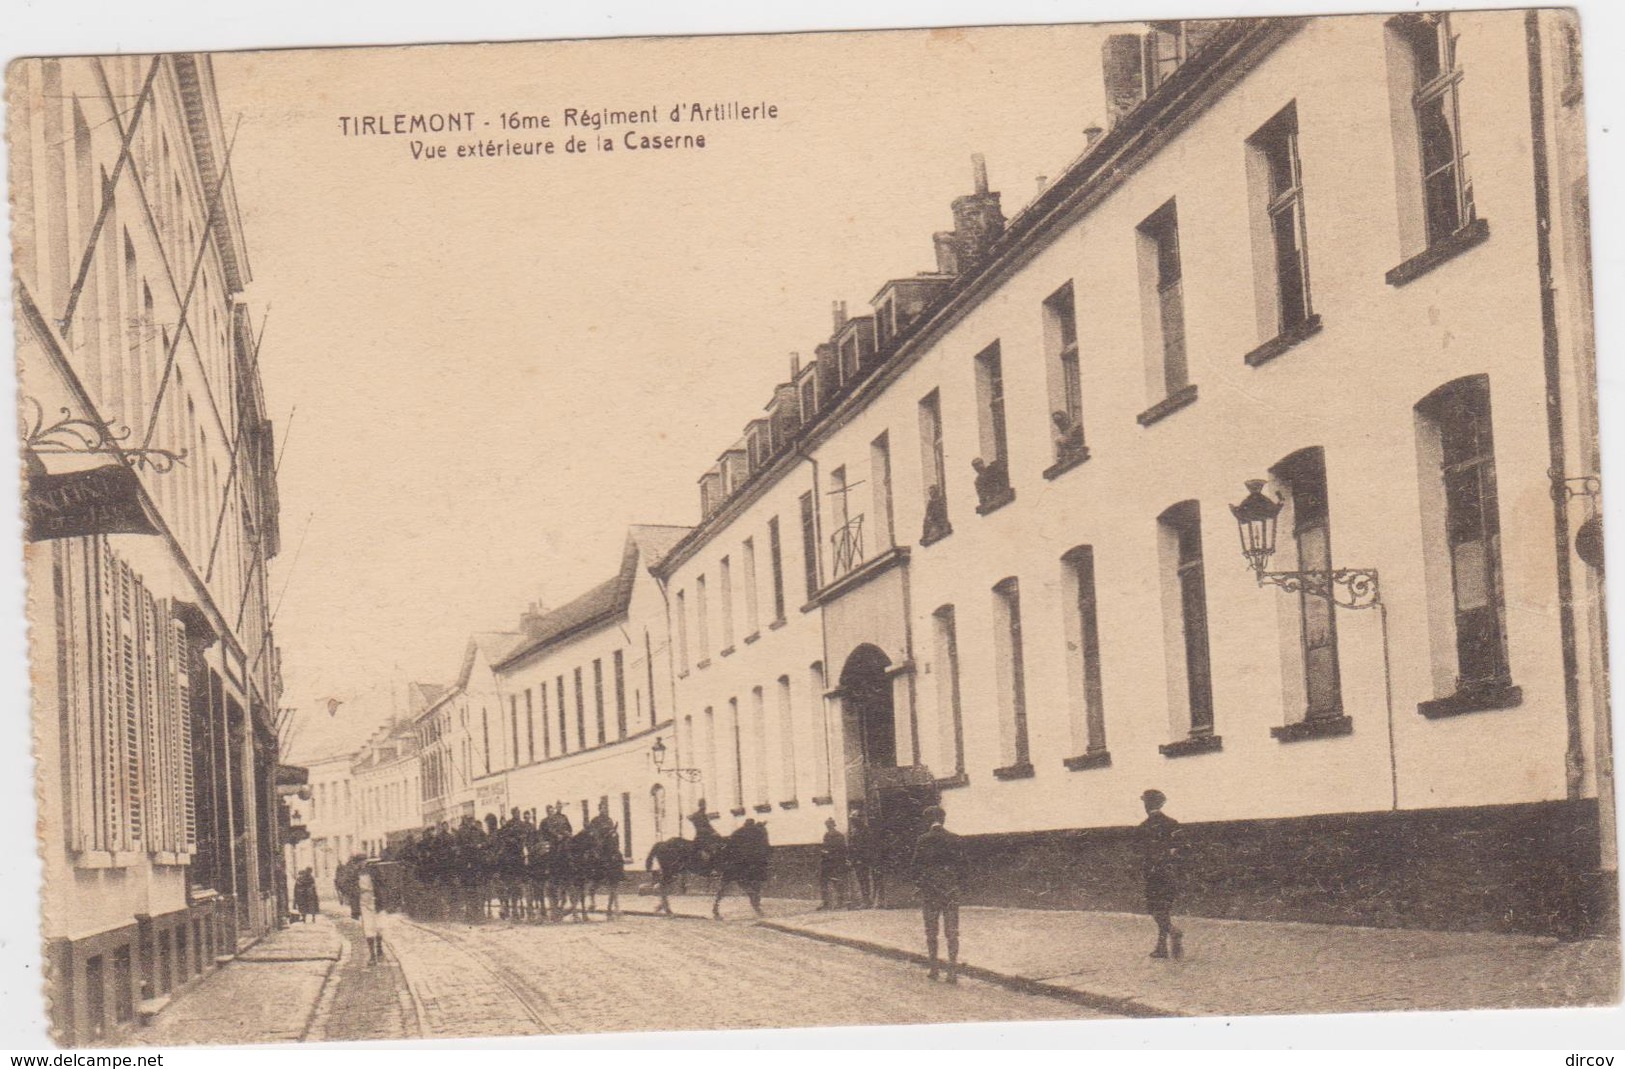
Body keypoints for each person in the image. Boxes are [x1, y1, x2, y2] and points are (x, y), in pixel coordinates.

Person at [912, 805, 966, 983]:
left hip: (930, 893)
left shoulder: (922, 840)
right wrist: (956, 885)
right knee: (952, 932)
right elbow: (963, 867)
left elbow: (915, 867)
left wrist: (920, 885)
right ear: (943, 820)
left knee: (931, 932)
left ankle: (934, 968)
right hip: (950, 891)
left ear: (928, 821)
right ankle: (952, 971)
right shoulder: (955, 839)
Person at [1138, 789, 1183, 960]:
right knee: (1164, 909)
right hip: (1170, 872)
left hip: (1153, 873)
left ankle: (1173, 931)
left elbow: (1142, 853)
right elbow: (1178, 848)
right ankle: (1161, 948)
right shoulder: (1173, 823)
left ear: (1146, 805)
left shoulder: (1143, 827)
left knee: (1156, 910)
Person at [818, 817, 850, 910]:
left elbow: (842, 849)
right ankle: (826, 902)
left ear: (833, 825)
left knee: (837, 882)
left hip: (836, 862)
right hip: (826, 862)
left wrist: (831, 853)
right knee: (823, 882)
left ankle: (840, 902)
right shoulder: (826, 835)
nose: (828, 827)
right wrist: (823, 852)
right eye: (827, 825)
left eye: (829, 825)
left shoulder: (839, 836)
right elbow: (824, 846)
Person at [358, 862, 384, 965]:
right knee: (369, 927)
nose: (362, 864)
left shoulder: (374, 873)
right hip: (364, 902)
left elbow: (382, 885)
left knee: (379, 926)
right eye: (360, 861)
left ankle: (379, 947)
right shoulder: (355, 875)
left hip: (376, 901)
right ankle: (372, 955)